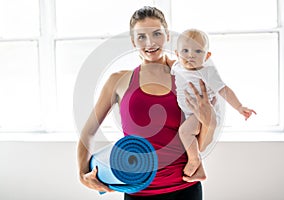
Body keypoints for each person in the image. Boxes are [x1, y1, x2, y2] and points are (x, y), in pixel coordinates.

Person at [77, 7, 217, 200]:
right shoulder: (118, 81)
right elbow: (89, 132)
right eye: (141, 36)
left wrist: (209, 122)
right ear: (133, 41)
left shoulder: (188, 77)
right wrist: (83, 175)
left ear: (167, 36)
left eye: (157, 34)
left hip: (184, 188)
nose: (150, 43)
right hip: (137, 192)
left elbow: (199, 144)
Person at [171, 29, 257, 180]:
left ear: (207, 56)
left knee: (185, 132)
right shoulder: (177, 66)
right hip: (188, 113)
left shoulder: (207, 72)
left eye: (198, 51)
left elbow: (224, 90)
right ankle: (200, 171)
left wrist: (239, 107)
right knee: (189, 140)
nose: (190, 55)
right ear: (177, 54)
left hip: (202, 113)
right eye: (185, 50)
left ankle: (194, 160)